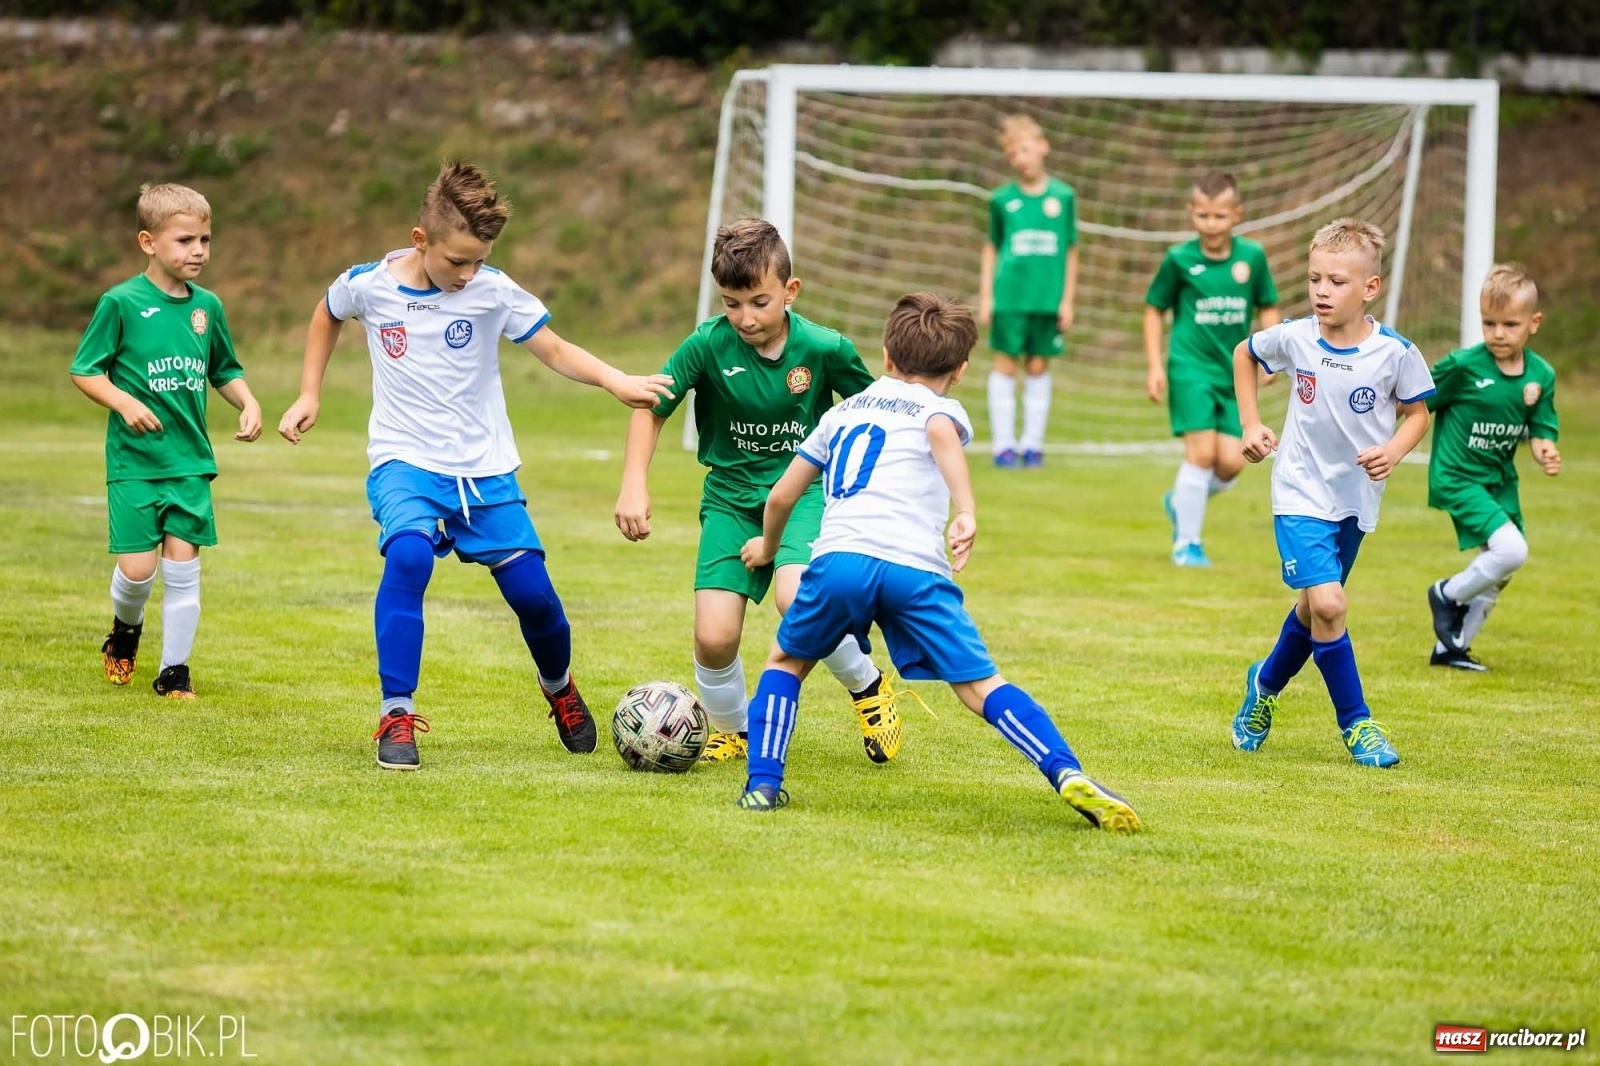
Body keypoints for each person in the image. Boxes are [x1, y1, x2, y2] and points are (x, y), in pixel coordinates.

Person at [277, 162, 672, 770]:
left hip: (484, 470)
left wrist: (616, 381)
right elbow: (326, 313)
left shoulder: (494, 289)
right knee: (407, 556)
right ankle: (396, 713)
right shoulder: (370, 284)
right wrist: (310, 393)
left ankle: (559, 686)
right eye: (456, 261)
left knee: (535, 598)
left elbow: (556, 348)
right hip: (404, 461)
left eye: (477, 261)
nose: (467, 274)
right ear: (420, 240)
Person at [733, 292, 1141, 832]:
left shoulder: (843, 411)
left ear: (885, 356)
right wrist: (966, 509)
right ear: (961, 370)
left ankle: (763, 785)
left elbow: (783, 495)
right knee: (980, 687)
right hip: (914, 571)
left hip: (841, 562)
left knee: (786, 663)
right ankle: (1065, 771)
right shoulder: (939, 409)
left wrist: (767, 546)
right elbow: (942, 437)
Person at [615, 219, 906, 765]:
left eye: (759, 302)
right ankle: (737, 731)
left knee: (796, 598)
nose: (745, 318)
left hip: (804, 493)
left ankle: (868, 688)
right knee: (715, 636)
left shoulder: (823, 347)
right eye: (732, 304)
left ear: (790, 292)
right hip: (729, 497)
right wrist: (634, 484)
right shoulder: (707, 344)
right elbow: (650, 407)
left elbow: (879, 411)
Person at [1229, 219, 1435, 768]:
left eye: (1336, 281)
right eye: (1315, 278)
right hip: (1298, 491)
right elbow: (1245, 354)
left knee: (1314, 608)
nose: (1321, 290)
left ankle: (1264, 686)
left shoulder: (1394, 352)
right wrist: (1251, 425)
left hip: (1356, 500)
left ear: (1369, 288)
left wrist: (1394, 451)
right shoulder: (1296, 336)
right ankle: (1358, 724)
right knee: (1330, 602)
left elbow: (1419, 413)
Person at [71, 182, 263, 700]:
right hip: (135, 463)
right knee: (138, 572)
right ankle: (124, 633)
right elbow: (85, 371)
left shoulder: (208, 308)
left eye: (204, 239)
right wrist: (126, 403)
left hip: (190, 461)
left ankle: (174, 673)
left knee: (183, 566)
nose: (197, 250)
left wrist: (247, 401)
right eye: (184, 240)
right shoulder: (122, 303)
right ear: (148, 242)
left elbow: (223, 368)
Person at [1424, 264, 1560, 671]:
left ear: (1534, 323)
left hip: (1499, 482)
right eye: (1489, 323)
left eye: (1509, 324)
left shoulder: (1541, 375)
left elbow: (1539, 427)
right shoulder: (1463, 366)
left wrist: (1545, 449)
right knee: (1512, 551)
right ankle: (1446, 594)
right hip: (1458, 476)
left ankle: (1451, 649)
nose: (1498, 333)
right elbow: (1414, 401)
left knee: (1499, 570)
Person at [1144, 170, 1282, 567]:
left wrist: (1271, 350)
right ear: (1191, 213)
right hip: (1189, 367)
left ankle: (1181, 500)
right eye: (1202, 216)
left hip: (1235, 370)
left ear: (1236, 214)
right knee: (1201, 456)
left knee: (1232, 463)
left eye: (1219, 216)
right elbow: (1154, 308)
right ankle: (1187, 544)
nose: (1211, 224)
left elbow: (1267, 304)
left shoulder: (1252, 258)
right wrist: (1155, 365)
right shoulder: (1179, 259)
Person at [977, 115, 1078, 468]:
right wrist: (987, 295)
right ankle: (1003, 446)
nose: (1019, 158)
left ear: (1042, 147)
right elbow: (992, 247)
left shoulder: (1063, 197)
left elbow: (1070, 249)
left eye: (1024, 149)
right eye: (1012, 154)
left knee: (1038, 366)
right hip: (1010, 298)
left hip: (1047, 300)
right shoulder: (1001, 199)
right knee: (1005, 365)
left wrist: (1067, 299)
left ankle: (1032, 445)